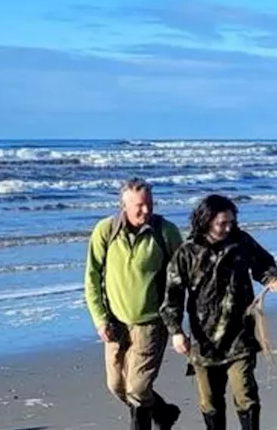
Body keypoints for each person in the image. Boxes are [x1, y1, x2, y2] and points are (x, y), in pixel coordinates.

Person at [161, 193, 277, 430]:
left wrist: (272, 279)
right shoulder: (187, 252)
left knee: (245, 392)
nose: (228, 228)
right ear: (206, 221)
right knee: (210, 401)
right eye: (222, 223)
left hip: (240, 334)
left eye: (231, 222)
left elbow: (264, 263)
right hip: (203, 340)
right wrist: (176, 331)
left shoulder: (241, 242)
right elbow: (172, 295)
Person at [83, 177, 185, 430]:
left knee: (137, 388)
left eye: (150, 204)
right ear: (124, 205)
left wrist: (177, 325)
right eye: (140, 205)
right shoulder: (105, 230)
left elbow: (183, 276)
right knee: (116, 386)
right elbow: (92, 277)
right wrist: (99, 319)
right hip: (115, 323)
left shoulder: (166, 232)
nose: (146, 210)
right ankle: (163, 412)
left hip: (151, 323)